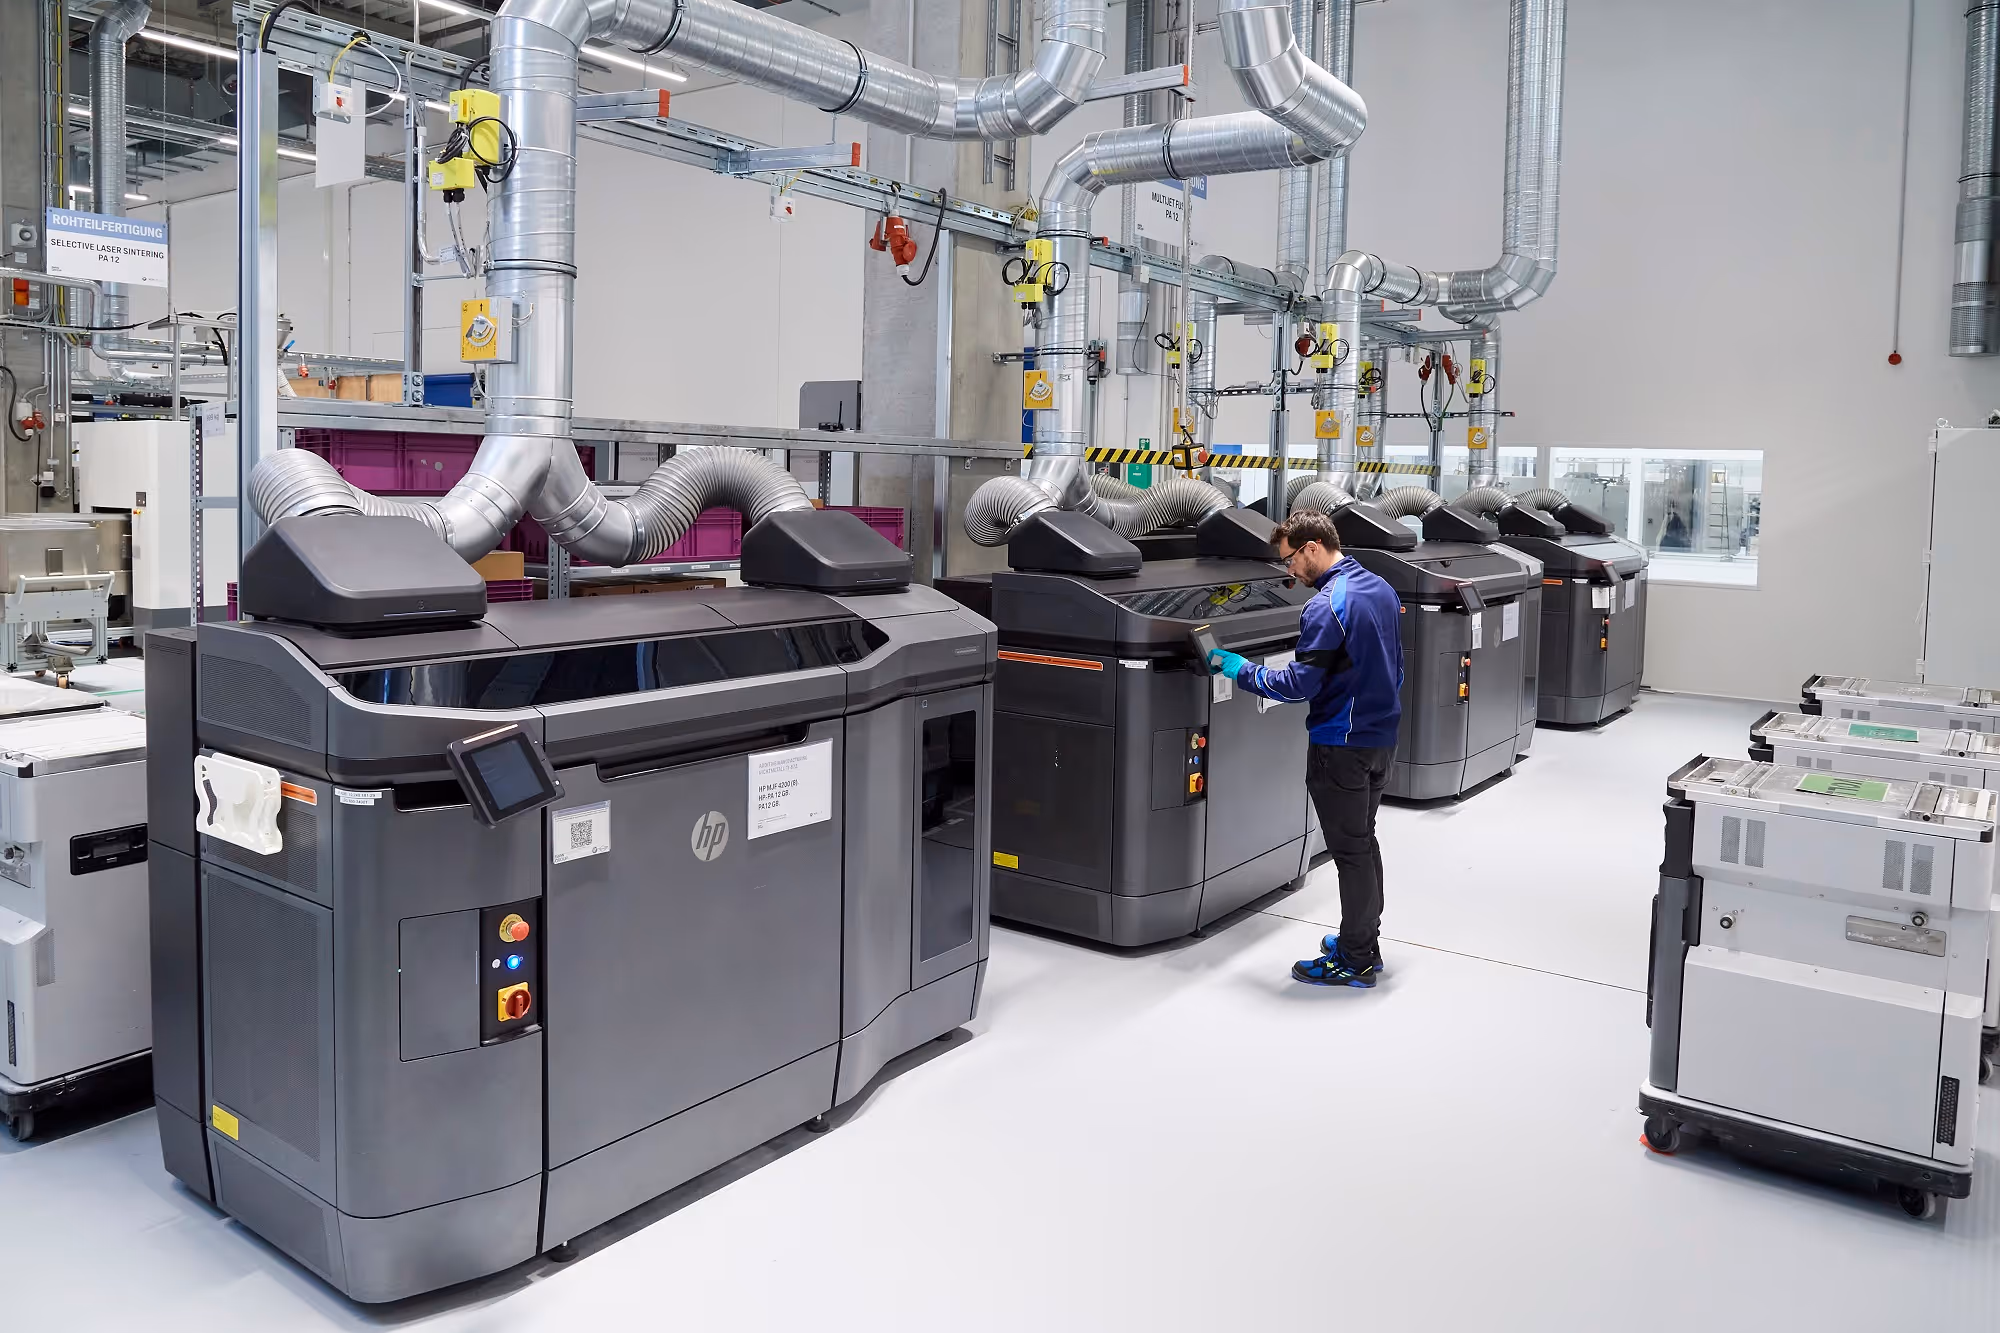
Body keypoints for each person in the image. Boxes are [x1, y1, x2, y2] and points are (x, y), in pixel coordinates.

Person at [1205, 510, 1404, 988]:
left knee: (1350, 851)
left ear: (1313, 546)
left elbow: (1298, 685)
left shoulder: (1327, 605)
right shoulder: (1380, 587)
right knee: (1362, 843)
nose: (1290, 572)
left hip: (1340, 744)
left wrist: (1239, 670)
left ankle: (1354, 960)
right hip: (1381, 737)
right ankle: (1363, 943)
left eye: (1291, 560)